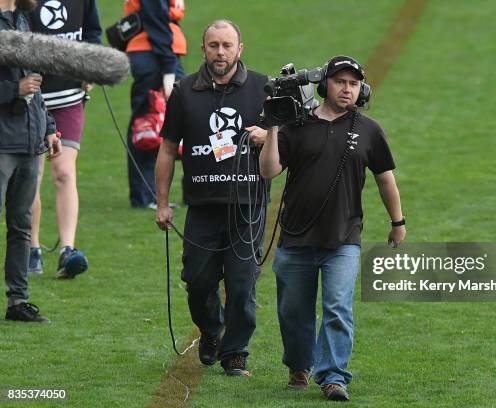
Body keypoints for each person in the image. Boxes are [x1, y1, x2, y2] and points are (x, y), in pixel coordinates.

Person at [259, 55, 406, 401]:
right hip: (295, 238)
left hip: (344, 239)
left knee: (338, 307)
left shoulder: (369, 130)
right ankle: (299, 365)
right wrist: (272, 127)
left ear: (362, 90)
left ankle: (334, 376)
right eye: (340, 82)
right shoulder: (295, 126)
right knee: (293, 311)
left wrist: (397, 221)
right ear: (324, 85)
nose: (347, 89)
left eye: (354, 84)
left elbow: (386, 180)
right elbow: (268, 171)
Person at [155, 20, 269, 376]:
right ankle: (211, 330)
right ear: (202, 49)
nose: (221, 52)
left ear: (240, 49)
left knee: (241, 282)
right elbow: (167, 148)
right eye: (214, 45)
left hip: (247, 206)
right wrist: (162, 202)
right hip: (201, 206)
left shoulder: (264, 88)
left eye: (227, 45)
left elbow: (294, 138)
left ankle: (235, 352)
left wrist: (270, 135)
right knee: (198, 280)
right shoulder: (185, 91)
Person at [28, 0, 102, 278]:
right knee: (32, 174)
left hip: (69, 98)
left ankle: (67, 250)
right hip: (32, 98)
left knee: (64, 173)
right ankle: (31, 247)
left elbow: (92, 33)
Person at [0, 0, 61, 322]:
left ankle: (18, 301)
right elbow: (23, 85)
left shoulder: (22, 20)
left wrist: (49, 128)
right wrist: (13, 89)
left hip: (28, 142)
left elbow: (35, 86)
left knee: (21, 227)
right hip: (2, 144)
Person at [125, 0, 186, 209]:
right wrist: (169, 67)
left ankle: (149, 194)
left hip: (157, 51)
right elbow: (156, 18)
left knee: (152, 121)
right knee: (145, 124)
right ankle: (145, 196)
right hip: (155, 54)